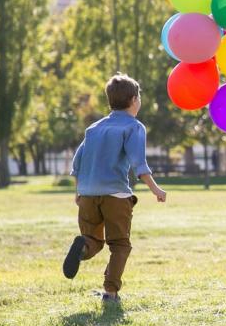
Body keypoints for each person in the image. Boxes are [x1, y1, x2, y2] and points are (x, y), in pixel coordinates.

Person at [62, 74, 167, 303]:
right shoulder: (134, 127)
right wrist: (156, 189)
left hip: (88, 194)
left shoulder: (94, 128)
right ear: (133, 100)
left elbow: (77, 163)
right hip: (116, 195)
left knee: (93, 240)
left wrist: (78, 192)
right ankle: (110, 293)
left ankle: (82, 247)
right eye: (139, 97)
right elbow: (139, 163)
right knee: (119, 245)